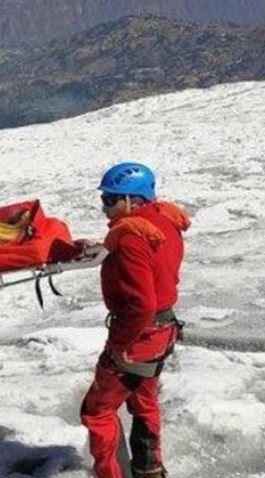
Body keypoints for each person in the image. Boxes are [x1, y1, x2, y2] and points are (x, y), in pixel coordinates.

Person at [77, 162, 191, 478]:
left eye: (111, 200)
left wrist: (118, 346)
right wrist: (105, 249)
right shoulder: (163, 220)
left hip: (138, 339)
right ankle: (148, 468)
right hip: (162, 333)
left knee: (97, 412)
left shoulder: (130, 238)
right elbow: (154, 266)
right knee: (144, 401)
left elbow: (141, 304)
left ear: (132, 200)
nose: (105, 208)